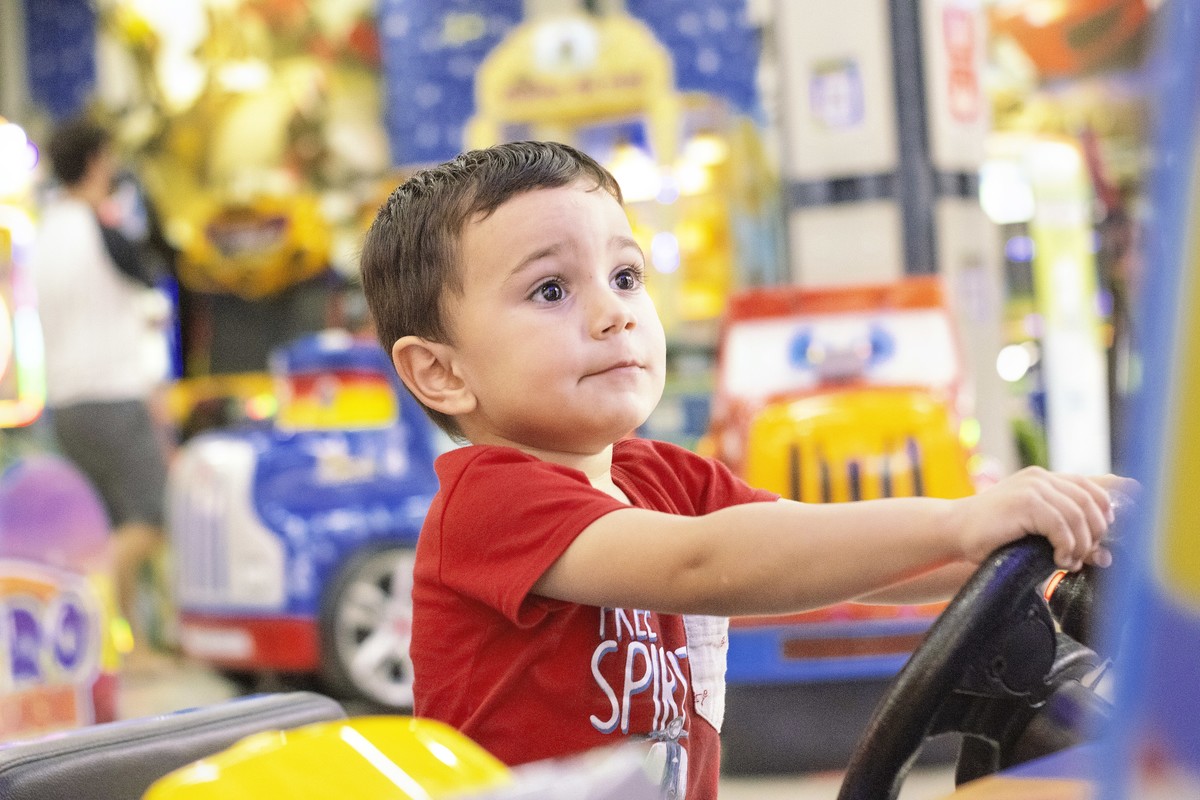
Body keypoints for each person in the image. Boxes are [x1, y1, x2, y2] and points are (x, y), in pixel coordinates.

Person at [359, 141, 1133, 799]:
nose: (614, 312)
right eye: (552, 290)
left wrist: (1040, 530)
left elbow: (832, 552)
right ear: (441, 373)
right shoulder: (489, 501)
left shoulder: (658, 476)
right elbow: (706, 562)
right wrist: (960, 520)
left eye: (626, 277)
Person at [31, 116, 174, 672]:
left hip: (64, 406)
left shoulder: (44, 232)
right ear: (95, 162)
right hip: (114, 397)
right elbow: (149, 287)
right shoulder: (100, 228)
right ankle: (96, 614)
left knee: (110, 523)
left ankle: (130, 648)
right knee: (150, 522)